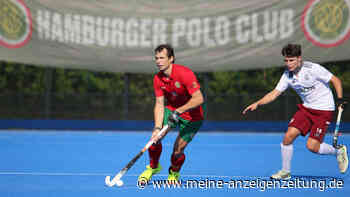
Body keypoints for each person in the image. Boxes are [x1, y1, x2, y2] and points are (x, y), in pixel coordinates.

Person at [242, 43, 348, 180]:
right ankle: (285, 172)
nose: (288, 64)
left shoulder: (313, 68)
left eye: (291, 60)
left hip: (324, 110)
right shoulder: (287, 75)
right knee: (288, 136)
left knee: (312, 146)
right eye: (286, 60)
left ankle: (338, 151)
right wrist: (258, 103)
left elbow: (336, 80)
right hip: (306, 108)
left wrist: (340, 99)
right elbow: (274, 93)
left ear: (299, 58)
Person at [138, 44, 205, 184]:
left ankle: (174, 173)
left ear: (171, 58)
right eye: (156, 58)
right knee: (155, 139)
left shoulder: (185, 74)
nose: (158, 61)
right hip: (172, 109)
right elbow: (159, 104)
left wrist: (179, 111)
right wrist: (157, 128)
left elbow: (199, 98)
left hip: (192, 117)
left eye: (162, 58)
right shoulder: (158, 79)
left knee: (177, 151)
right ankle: (153, 167)